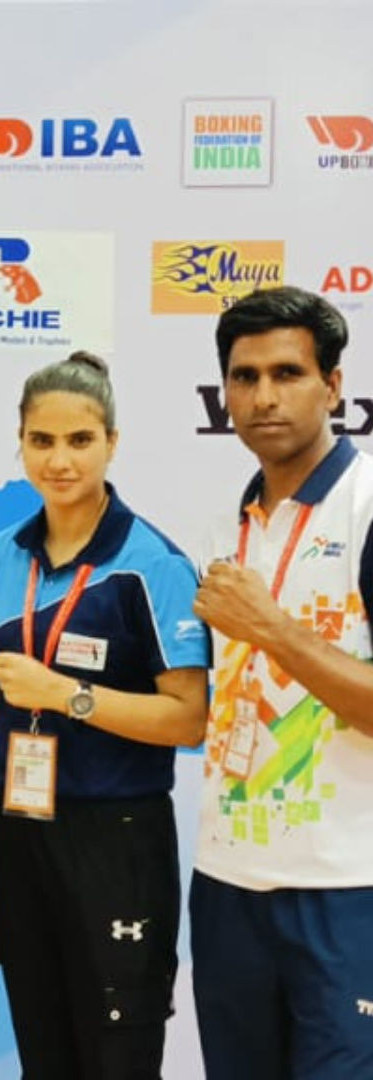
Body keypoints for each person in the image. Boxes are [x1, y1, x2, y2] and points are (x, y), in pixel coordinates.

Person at [0, 351, 210, 1080]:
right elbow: (18, 686)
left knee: (116, 1052)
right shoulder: (7, 554)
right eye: (41, 441)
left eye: (80, 441)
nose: (60, 459)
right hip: (19, 831)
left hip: (117, 836)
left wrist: (68, 695)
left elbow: (188, 720)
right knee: (42, 1046)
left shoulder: (155, 565)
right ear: (20, 443)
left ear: (112, 441)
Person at [191, 286, 373, 1080]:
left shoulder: (367, 507)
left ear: (334, 386)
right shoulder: (228, 522)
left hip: (343, 887)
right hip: (227, 880)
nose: (263, 396)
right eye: (244, 376)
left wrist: (273, 629)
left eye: (288, 373)